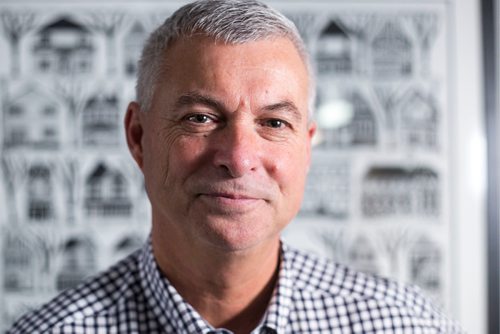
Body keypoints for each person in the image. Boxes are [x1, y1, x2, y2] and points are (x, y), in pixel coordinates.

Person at [8, 0, 462, 333]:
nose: (240, 157)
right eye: (201, 118)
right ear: (138, 136)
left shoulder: (405, 324)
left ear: (305, 148)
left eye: (274, 122)